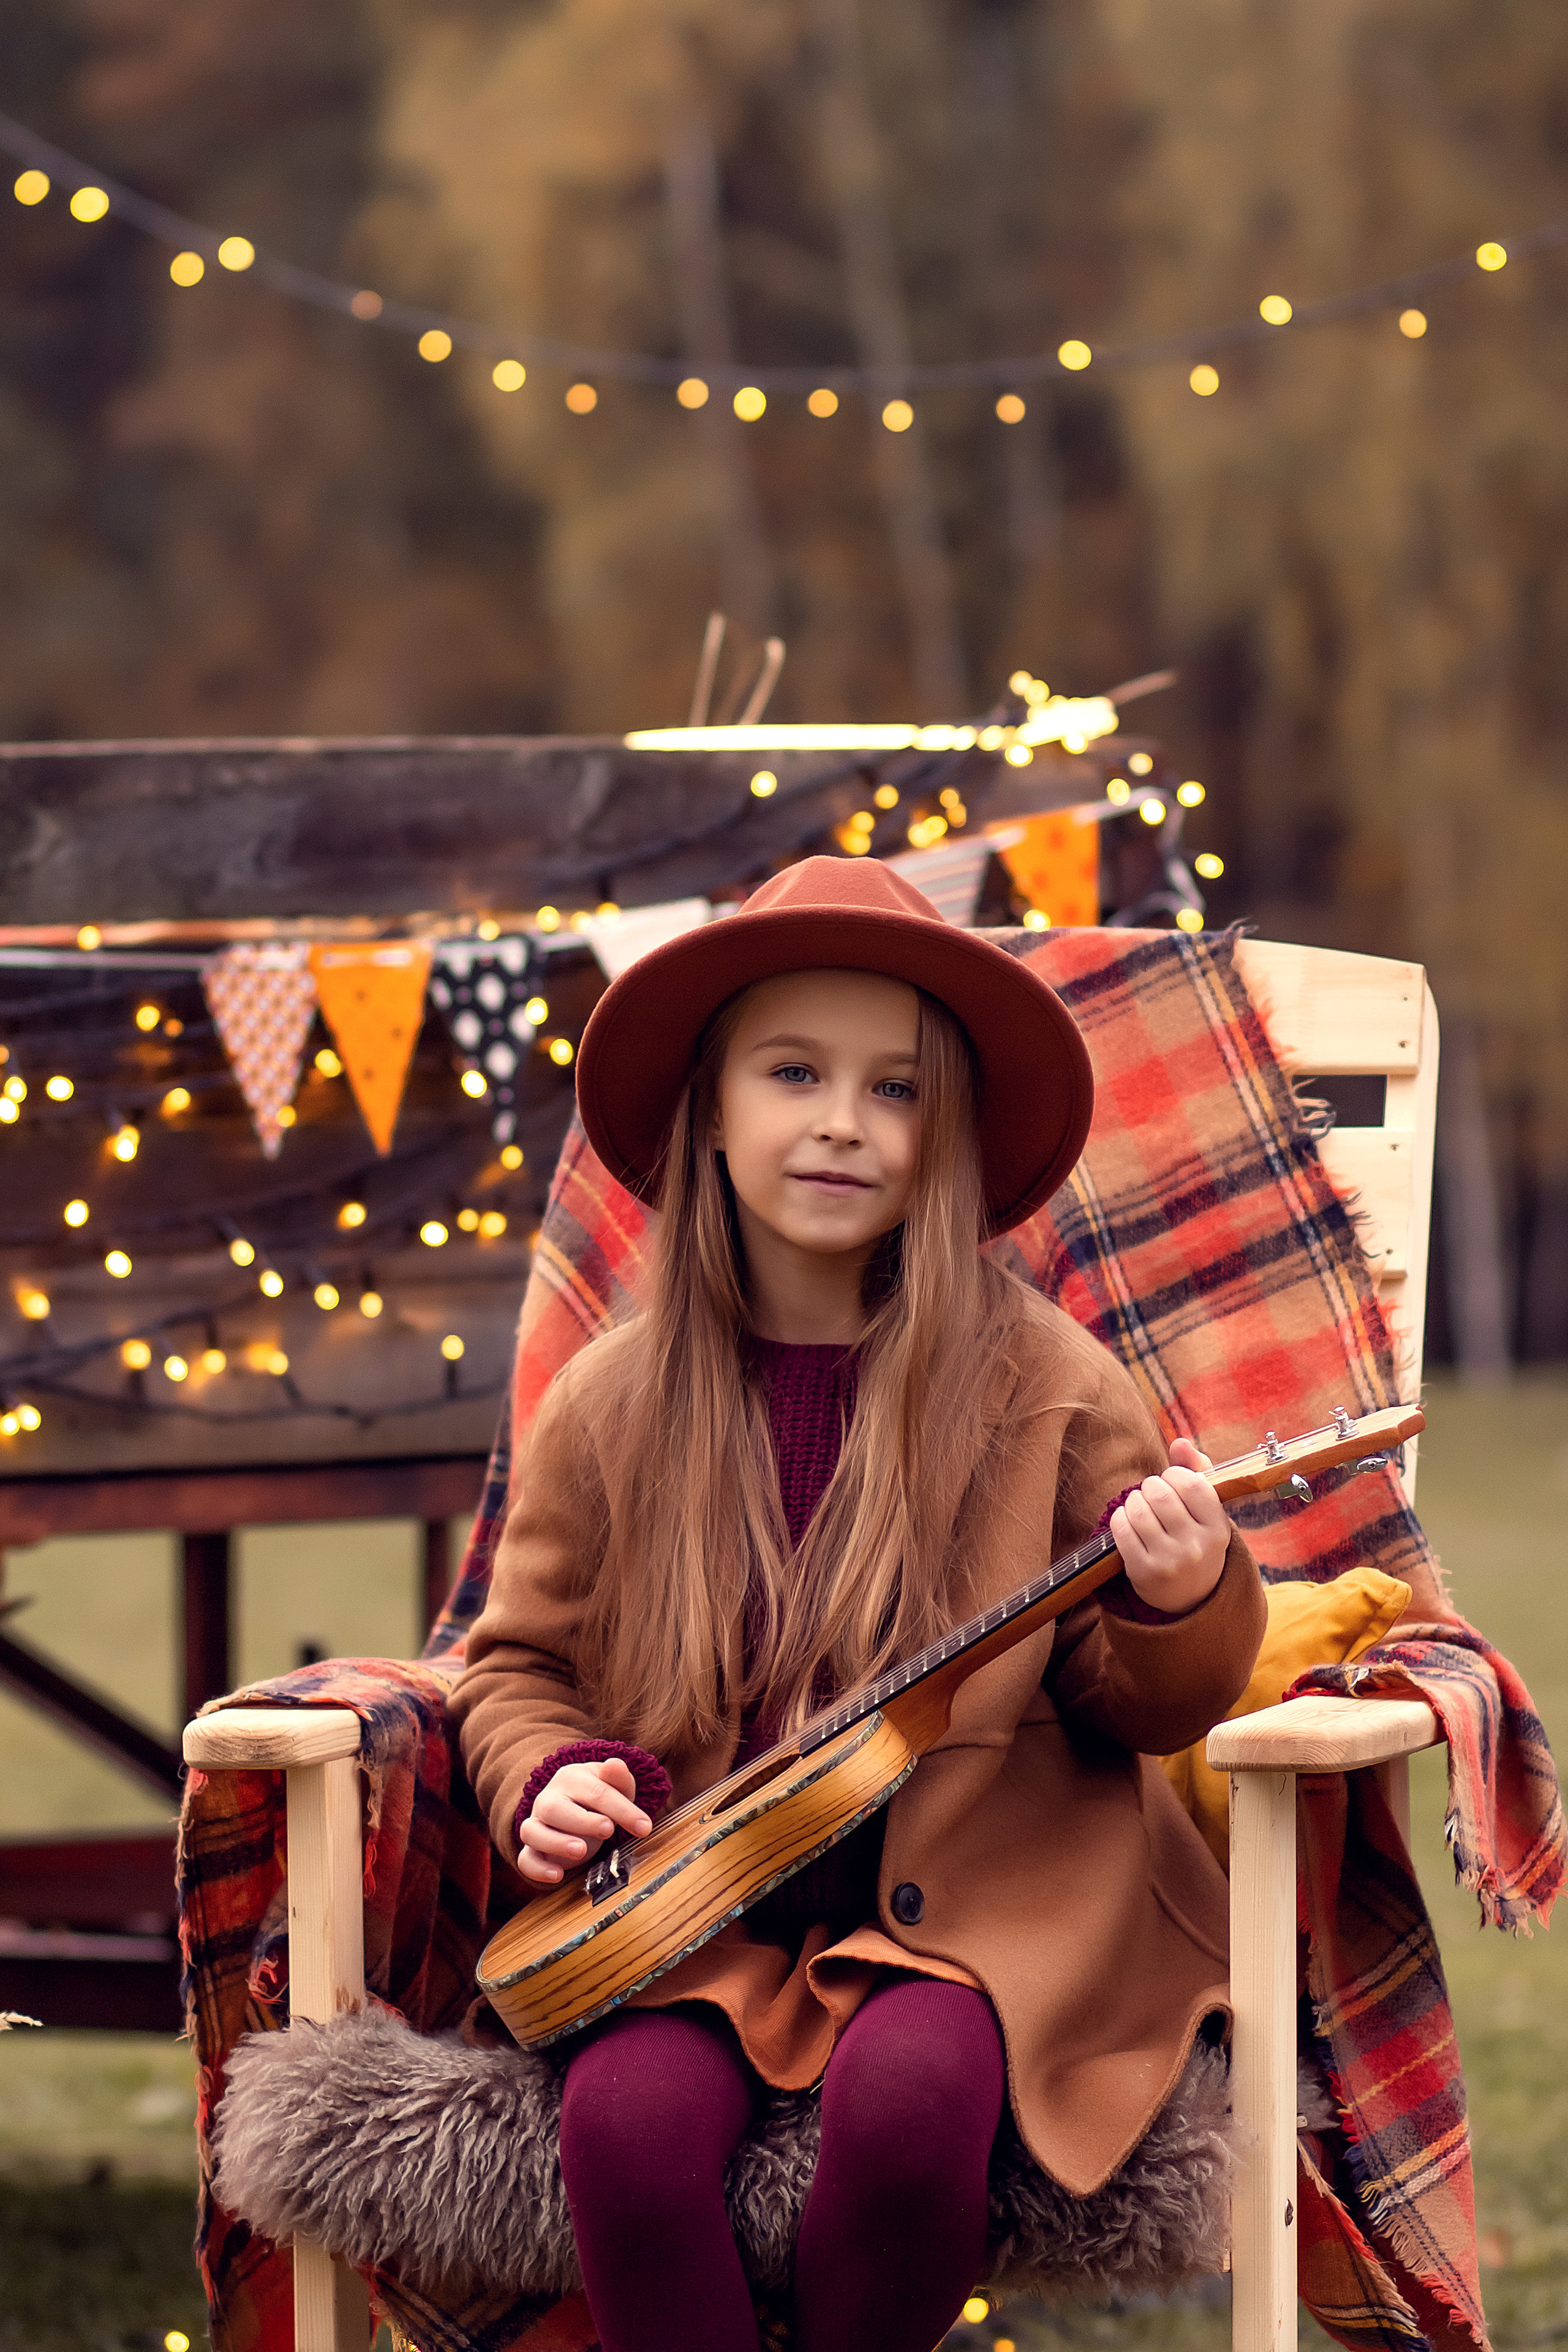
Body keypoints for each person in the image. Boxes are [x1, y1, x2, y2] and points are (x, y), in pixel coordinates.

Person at [451, 856, 1267, 2352]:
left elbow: (1138, 1700)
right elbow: (510, 1668)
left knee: (911, 2105)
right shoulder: (605, 1405)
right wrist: (550, 1774)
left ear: (944, 1139)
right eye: (793, 1072)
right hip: (696, 1920)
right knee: (625, 2132)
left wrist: (1176, 1597)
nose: (840, 1120)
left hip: (973, 1920)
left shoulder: (1050, 1388)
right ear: (709, 1110)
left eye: (895, 1091)